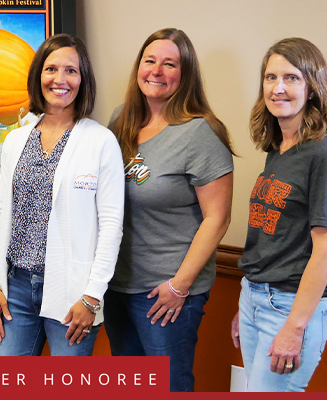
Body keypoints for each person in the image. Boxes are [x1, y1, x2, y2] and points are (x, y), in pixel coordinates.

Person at [105, 28, 235, 392]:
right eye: (150, 61)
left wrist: (179, 287)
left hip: (167, 294)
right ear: (138, 68)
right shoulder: (121, 121)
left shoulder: (200, 133)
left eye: (170, 64)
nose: (157, 71)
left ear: (185, 73)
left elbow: (218, 218)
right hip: (118, 286)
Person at [0, 33, 125, 356]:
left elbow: (111, 226)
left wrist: (92, 296)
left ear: (83, 79)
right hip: (16, 289)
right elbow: (1, 213)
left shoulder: (100, 142)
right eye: (51, 69)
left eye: (71, 71)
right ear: (38, 76)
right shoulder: (15, 140)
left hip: (73, 292)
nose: (60, 79)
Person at [231, 37, 327, 392]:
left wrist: (294, 328)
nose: (278, 88)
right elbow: (273, 236)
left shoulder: (326, 155)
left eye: (291, 78)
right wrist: (249, 302)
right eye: (270, 78)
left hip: (289, 306)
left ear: (313, 88)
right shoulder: (281, 149)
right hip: (257, 296)